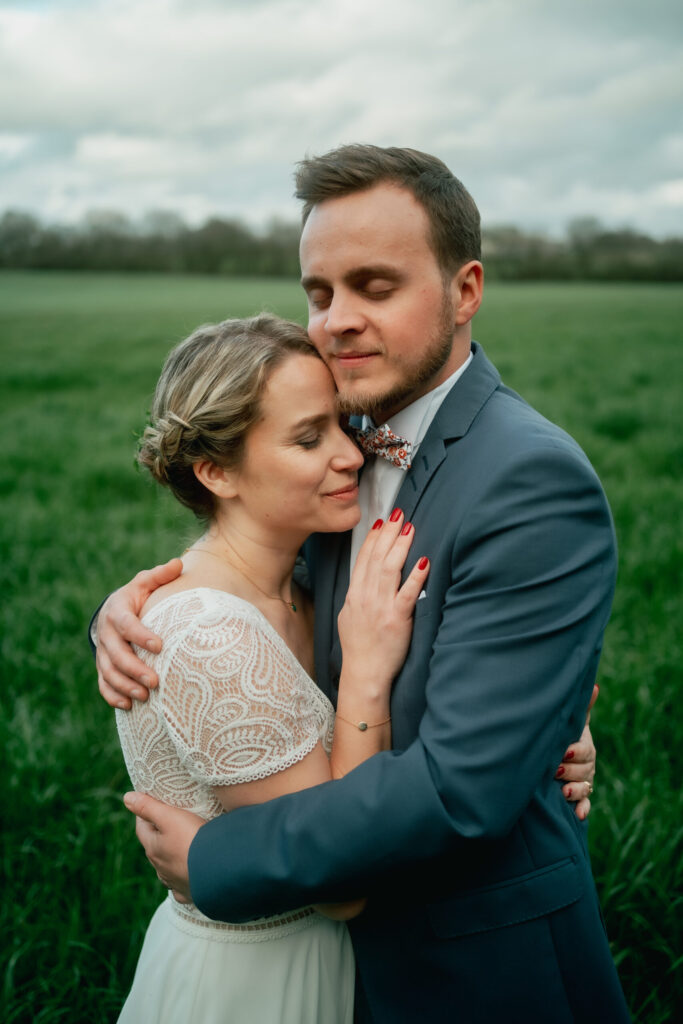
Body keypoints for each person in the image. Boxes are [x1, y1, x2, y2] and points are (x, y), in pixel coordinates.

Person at [96, 145, 630, 1022]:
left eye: (374, 288)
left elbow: (462, 789)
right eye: (319, 292)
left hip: (473, 969)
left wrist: (222, 862)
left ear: (464, 291)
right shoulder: (337, 437)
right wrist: (127, 611)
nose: (337, 320)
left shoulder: (530, 481)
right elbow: (249, 576)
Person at [112, 312, 433, 1022]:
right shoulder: (205, 637)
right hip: (249, 984)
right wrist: (365, 673)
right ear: (215, 471)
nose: (352, 456)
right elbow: (339, 883)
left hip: (339, 967)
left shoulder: (310, 582)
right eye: (306, 437)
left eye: (342, 426)